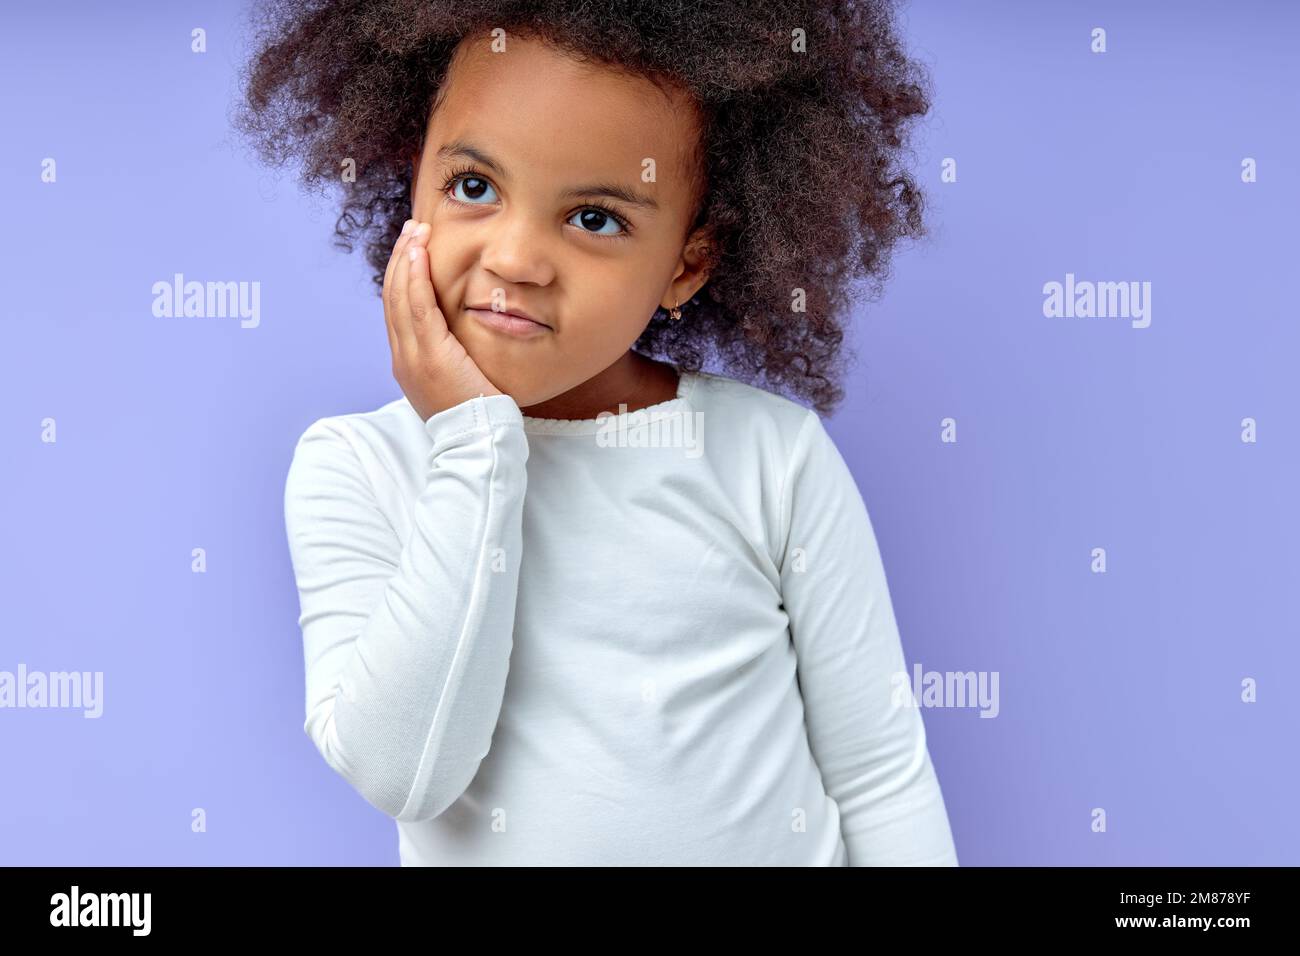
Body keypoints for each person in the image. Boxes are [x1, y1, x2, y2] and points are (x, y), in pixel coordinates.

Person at [240, 0, 957, 865]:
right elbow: (406, 771)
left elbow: (881, 776)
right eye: (474, 187)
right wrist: (473, 443)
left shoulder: (772, 460)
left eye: (595, 219)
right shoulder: (357, 468)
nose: (514, 259)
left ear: (685, 265)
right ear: (410, 175)